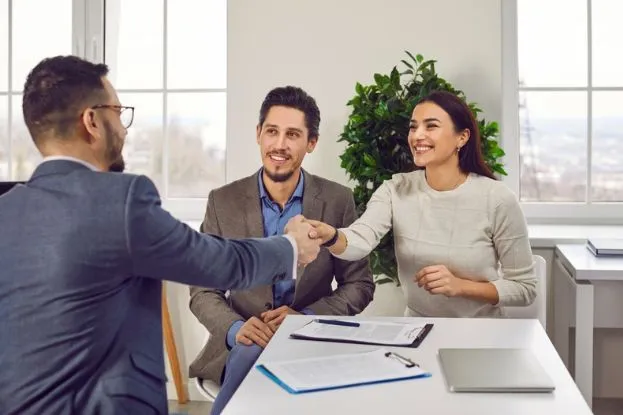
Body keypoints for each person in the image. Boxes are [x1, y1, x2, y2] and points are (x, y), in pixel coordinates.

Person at [0, 56, 321, 415]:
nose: (123, 128)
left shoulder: (7, 210)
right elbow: (218, 262)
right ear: (92, 121)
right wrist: (292, 247)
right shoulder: (120, 200)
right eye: (118, 113)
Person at [188, 86, 374, 414]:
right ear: (259, 134)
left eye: (292, 134)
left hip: (311, 339)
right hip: (240, 339)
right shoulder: (223, 201)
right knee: (249, 349)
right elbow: (203, 289)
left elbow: (359, 285)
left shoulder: (337, 200)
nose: (279, 144)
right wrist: (236, 328)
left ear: (311, 142)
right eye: (272, 131)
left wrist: (306, 319)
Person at [307, 90, 537, 318]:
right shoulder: (395, 189)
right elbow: (361, 239)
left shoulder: (497, 198)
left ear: (462, 137)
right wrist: (331, 236)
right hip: (416, 331)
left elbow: (525, 288)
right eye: (413, 126)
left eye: (431, 126)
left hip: (479, 334)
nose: (417, 135)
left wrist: (460, 286)